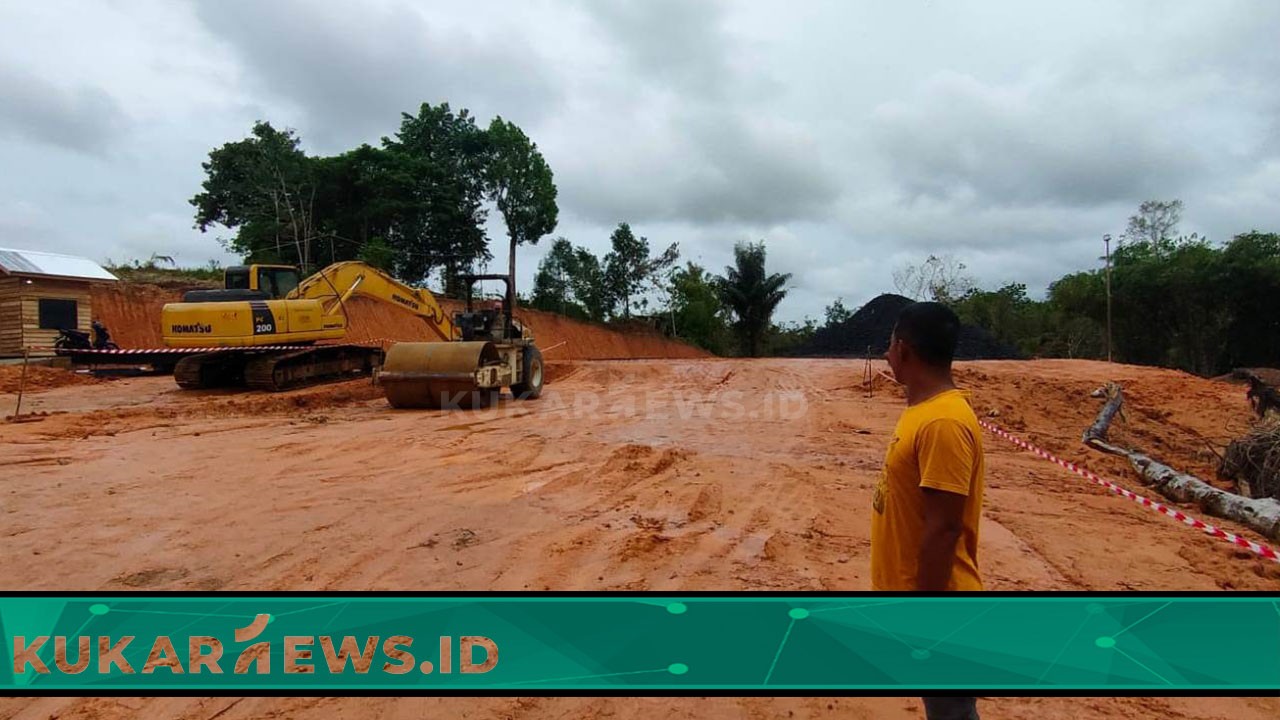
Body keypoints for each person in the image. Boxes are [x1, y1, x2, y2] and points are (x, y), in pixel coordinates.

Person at [872, 301, 984, 720]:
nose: (885, 354)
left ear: (903, 349)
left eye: (889, 345)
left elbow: (944, 528)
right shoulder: (924, 413)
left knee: (952, 712)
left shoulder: (943, 423)